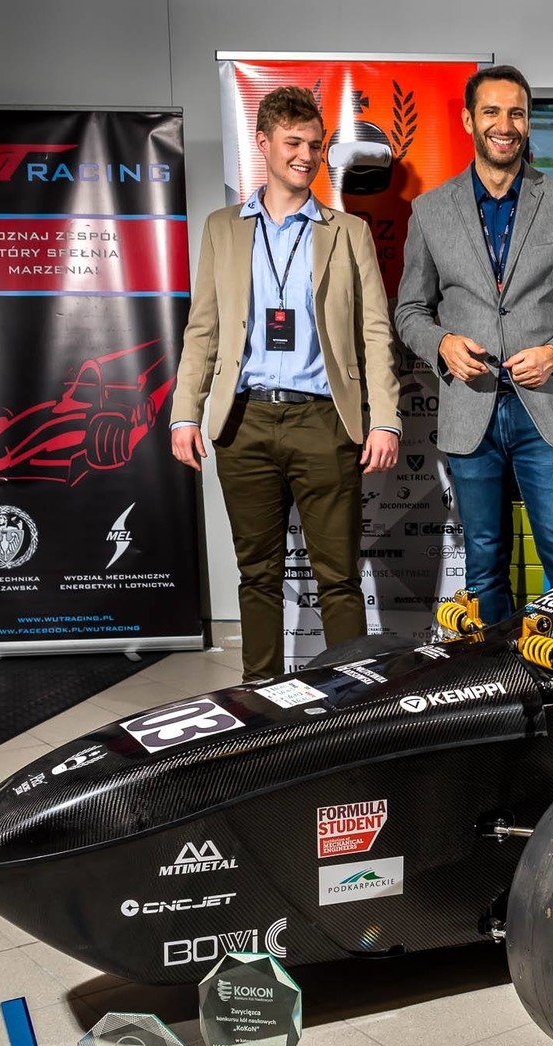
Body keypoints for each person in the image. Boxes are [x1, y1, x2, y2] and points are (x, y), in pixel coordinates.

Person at [169, 86, 401, 681]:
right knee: (258, 575)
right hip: (242, 423)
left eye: (315, 145)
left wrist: (384, 419)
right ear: (264, 143)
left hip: (324, 421)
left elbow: (376, 331)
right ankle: (261, 700)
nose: (306, 156)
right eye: (293, 142)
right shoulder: (222, 228)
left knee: (339, 577)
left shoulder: (347, 231)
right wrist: (185, 412)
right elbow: (203, 328)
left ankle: (352, 700)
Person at [395, 65, 553, 627]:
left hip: (545, 412)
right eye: (491, 111)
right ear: (469, 120)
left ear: (528, 121)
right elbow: (409, 312)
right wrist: (442, 343)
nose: (504, 124)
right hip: (469, 410)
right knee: (484, 569)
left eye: (516, 113)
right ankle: (498, 677)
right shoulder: (430, 211)